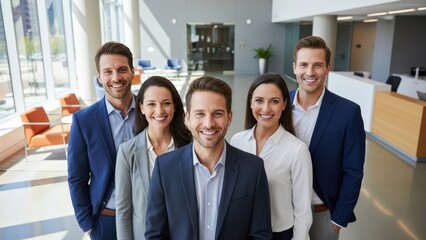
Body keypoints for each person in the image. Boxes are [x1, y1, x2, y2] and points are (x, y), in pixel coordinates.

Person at [145, 76, 273, 239]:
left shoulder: (253, 168)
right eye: (200, 114)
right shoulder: (165, 168)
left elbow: (261, 235)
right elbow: (155, 234)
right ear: (188, 117)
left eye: (217, 114)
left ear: (229, 117)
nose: (209, 123)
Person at [290, 36, 366, 240]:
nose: (310, 72)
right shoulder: (278, 106)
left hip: (322, 215)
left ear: (327, 68)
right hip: (282, 212)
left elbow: (353, 171)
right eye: (303, 65)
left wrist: (337, 221)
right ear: (294, 67)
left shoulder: (348, 113)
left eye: (318, 65)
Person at [67, 41, 137, 240]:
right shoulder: (83, 121)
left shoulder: (149, 112)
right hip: (106, 220)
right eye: (108, 72)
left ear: (132, 71)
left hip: (148, 217)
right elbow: (76, 178)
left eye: (122, 70)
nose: (116, 78)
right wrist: (88, 225)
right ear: (99, 76)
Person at [231, 73, 313, 240]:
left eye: (274, 101)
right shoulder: (237, 141)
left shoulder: (297, 150)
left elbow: (303, 209)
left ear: (284, 104)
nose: (266, 109)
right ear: (250, 102)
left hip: (279, 234)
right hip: (241, 231)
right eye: (259, 100)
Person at [115, 76, 192, 240]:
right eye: (151, 104)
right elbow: (123, 211)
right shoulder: (127, 152)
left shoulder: (190, 146)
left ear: (175, 107)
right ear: (141, 107)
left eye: (166, 103)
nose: (159, 111)